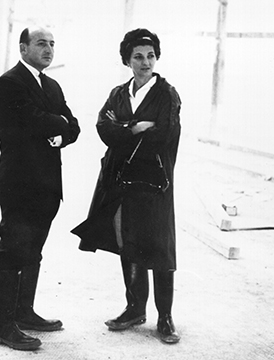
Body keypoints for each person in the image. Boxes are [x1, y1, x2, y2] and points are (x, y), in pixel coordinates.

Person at [71, 28, 181, 344]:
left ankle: (165, 317)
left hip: (154, 182)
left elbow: (164, 134)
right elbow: (103, 128)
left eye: (150, 56)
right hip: (120, 180)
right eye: (138, 57)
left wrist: (124, 131)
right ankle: (135, 308)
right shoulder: (120, 94)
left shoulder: (167, 94)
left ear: (156, 58)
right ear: (127, 60)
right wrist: (134, 127)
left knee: (159, 247)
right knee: (128, 243)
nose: (145, 62)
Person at [0, 26, 80, 351]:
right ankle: (2, 325)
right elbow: (27, 122)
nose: (49, 49)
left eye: (52, 44)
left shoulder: (52, 84)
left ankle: (24, 313)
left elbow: (74, 126)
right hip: (19, 186)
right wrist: (59, 123)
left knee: (32, 253)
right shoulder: (10, 82)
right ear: (23, 47)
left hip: (47, 187)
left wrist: (60, 131)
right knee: (12, 252)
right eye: (42, 43)